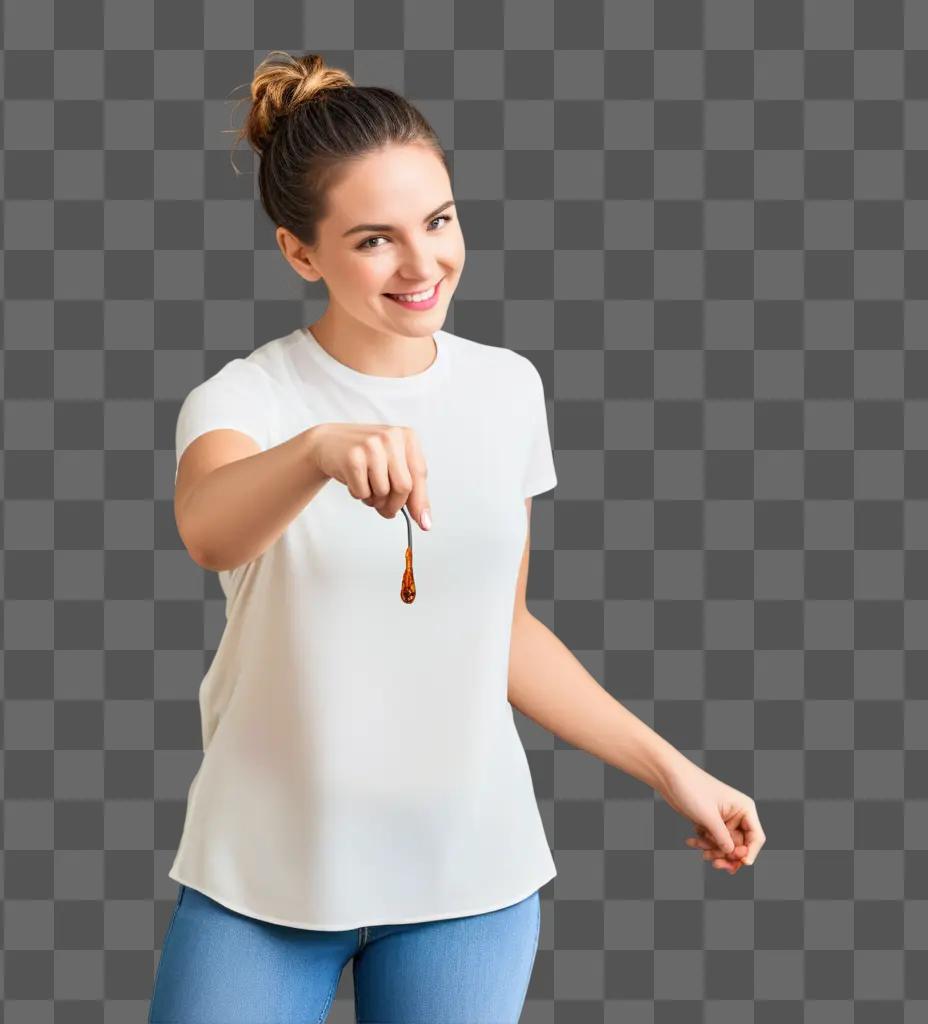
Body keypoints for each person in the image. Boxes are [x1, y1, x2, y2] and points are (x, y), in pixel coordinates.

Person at [148, 50, 765, 1024]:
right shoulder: (247, 399)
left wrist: (672, 771)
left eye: (438, 221)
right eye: (372, 240)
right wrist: (316, 451)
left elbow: (502, 632)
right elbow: (209, 530)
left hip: (466, 874)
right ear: (299, 252)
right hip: (263, 870)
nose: (422, 263)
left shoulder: (505, 388)